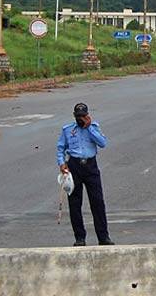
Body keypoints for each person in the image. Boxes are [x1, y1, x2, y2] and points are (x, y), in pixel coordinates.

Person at [56, 103, 114, 247]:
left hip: (90, 166)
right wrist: (62, 163)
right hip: (74, 166)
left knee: (98, 202)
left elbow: (103, 143)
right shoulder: (68, 130)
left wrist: (89, 128)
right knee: (75, 204)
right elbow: (60, 148)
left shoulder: (94, 127)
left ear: (87, 115)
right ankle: (80, 238)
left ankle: (103, 236)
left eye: (83, 116)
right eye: (78, 116)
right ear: (74, 116)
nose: (81, 119)